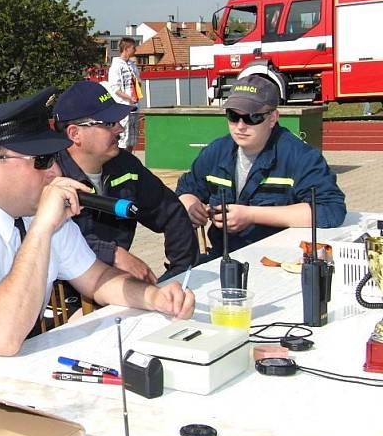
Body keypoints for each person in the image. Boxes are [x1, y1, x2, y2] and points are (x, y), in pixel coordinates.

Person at [0, 88, 195, 386]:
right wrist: (41, 229)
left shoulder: (30, 203)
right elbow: (1, 336)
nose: (55, 172)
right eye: (41, 161)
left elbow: (96, 279)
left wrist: (153, 297)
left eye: (54, 158)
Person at [176, 75, 347, 256]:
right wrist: (189, 203)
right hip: (222, 257)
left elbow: (331, 210)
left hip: (279, 260)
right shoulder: (217, 151)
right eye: (233, 116)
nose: (240, 126)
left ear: (273, 118)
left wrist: (251, 215)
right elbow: (187, 188)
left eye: (252, 117)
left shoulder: (300, 157)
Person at [54, 81, 198, 283]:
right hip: (66, 303)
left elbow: (171, 211)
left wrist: (181, 274)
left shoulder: (125, 165)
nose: (120, 129)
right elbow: (52, 240)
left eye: (118, 121)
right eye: (109, 123)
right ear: (75, 134)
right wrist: (113, 254)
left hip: (118, 290)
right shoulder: (49, 178)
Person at [106, 37, 141, 152]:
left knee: (132, 139)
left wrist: (137, 93)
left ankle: (130, 161)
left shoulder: (132, 65)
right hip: (123, 107)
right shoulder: (116, 66)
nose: (135, 49)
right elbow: (115, 88)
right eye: (133, 47)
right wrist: (129, 97)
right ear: (126, 48)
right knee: (123, 138)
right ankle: (121, 163)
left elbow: (137, 82)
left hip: (134, 107)